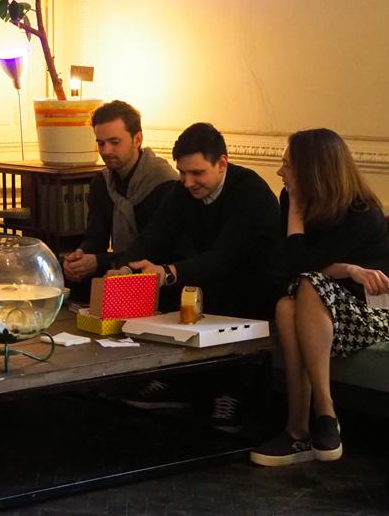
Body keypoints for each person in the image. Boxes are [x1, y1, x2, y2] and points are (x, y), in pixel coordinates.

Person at [111, 122, 286, 428]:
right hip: (214, 274)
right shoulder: (184, 190)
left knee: (203, 293)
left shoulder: (251, 192)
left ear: (222, 164)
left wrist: (167, 273)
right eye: (182, 173)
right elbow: (156, 235)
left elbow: (225, 257)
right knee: (172, 293)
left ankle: (231, 394)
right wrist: (126, 266)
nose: (188, 182)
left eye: (197, 173)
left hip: (260, 283)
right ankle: (176, 381)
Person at [251, 129, 389, 467]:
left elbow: (304, 267)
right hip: (321, 305)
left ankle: (323, 412)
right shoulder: (292, 200)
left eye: (288, 166)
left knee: (307, 286)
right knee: (286, 303)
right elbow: (294, 266)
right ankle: (298, 430)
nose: (281, 173)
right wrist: (345, 266)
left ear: (313, 171)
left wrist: (338, 270)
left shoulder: (361, 212)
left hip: (377, 311)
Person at [62, 100, 179, 294]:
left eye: (115, 142)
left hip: (159, 274)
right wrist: (81, 257)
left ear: (137, 140)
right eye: (101, 143)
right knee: (55, 271)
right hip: (117, 266)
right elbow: (95, 238)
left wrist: (99, 261)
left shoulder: (165, 183)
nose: (106, 151)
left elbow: (156, 248)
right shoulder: (102, 182)